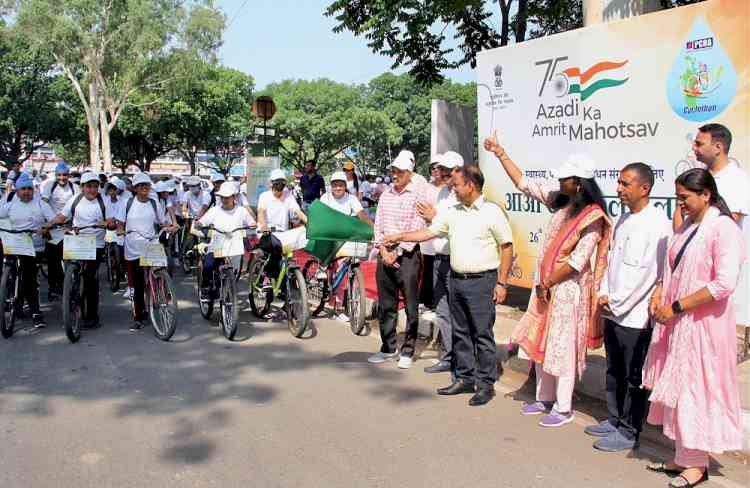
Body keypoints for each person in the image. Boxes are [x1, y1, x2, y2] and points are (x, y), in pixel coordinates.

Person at [485, 132, 611, 427]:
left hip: (566, 290)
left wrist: (549, 283)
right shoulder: (561, 202)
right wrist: (501, 153)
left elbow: (578, 261)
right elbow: (524, 184)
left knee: (562, 348)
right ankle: (544, 398)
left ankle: (564, 407)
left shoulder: (591, 217)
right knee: (540, 342)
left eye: (565, 178)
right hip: (546, 287)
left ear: (578, 183)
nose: (559, 183)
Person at [642, 168, 745, 488]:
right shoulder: (688, 226)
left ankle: (697, 465)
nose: (680, 204)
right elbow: (672, 265)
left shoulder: (722, 228)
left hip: (704, 327)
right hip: (679, 324)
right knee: (679, 391)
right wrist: (661, 292)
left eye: (684, 198)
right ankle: (684, 457)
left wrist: (676, 307)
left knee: (695, 392)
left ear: (706, 195)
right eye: (677, 198)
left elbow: (724, 284)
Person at [384, 165, 514, 405]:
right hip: (457, 280)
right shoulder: (452, 211)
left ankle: (485, 384)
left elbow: (507, 247)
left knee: (482, 335)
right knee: (461, 333)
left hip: (482, 282)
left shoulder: (491, 212)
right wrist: (400, 236)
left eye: (456, 185)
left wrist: (502, 282)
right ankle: (464, 378)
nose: (452, 189)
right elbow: (429, 233)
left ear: (471, 186)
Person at [584, 163, 671, 452]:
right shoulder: (622, 220)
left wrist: (618, 300)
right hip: (613, 310)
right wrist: (606, 293)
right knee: (614, 369)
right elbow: (610, 262)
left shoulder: (657, 224)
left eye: (625, 184)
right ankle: (614, 418)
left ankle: (630, 430)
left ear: (644, 188)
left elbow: (649, 273)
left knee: (635, 377)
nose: (619, 189)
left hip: (634, 315)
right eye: (619, 183)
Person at [368, 150, 427, 370]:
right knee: (386, 304)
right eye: (393, 170)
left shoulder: (416, 196)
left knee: (411, 305)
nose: (395, 175)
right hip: (385, 252)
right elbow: (378, 224)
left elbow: (417, 227)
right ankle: (388, 347)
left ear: (409, 173)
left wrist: (398, 251)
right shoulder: (386, 195)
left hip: (408, 254)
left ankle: (408, 350)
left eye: (399, 171)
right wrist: (383, 250)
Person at [414, 151, 464, 374]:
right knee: (442, 312)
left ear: (457, 171)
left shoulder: (465, 195)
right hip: (439, 259)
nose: (441, 173)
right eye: (439, 169)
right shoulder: (443, 193)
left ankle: (462, 362)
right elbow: (436, 225)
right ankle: (447, 356)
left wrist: (434, 217)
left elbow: (457, 226)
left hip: (458, 261)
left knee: (458, 313)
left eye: (446, 170)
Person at [47, 172, 114, 329]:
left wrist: (105, 223)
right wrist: (49, 224)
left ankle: (91, 316)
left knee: (90, 279)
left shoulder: (104, 201)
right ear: (82, 187)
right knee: (67, 268)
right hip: (76, 241)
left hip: (95, 244)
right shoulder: (75, 199)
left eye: (95, 186)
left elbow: (111, 221)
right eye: (88, 186)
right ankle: (69, 293)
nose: (92, 190)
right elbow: (62, 217)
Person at [116, 173, 173, 330]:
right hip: (132, 247)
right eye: (140, 185)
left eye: (146, 185)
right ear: (135, 188)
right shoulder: (126, 203)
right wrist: (120, 230)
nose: (144, 188)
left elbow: (162, 222)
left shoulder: (154, 204)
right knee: (136, 285)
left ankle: (162, 296)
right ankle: (138, 315)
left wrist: (169, 226)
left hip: (151, 244)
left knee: (160, 272)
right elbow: (120, 224)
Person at [0, 173, 56, 327]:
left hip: (33, 247)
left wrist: (46, 227)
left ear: (33, 190)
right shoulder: (11, 203)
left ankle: (35, 312)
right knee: (10, 274)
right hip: (13, 244)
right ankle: (11, 300)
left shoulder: (40, 204)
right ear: (17, 191)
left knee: (29, 280)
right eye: (23, 189)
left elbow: (53, 218)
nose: (26, 192)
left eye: (29, 189)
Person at [675, 123, 748, 228]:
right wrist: (681, 238)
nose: (693, 147)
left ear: (718, 147)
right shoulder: (696, 175)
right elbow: (679, 212)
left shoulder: (738, 179)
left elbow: (730, 222)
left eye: (699, 144)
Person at [195, 182, 256, 299]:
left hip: (235, 246)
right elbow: (203, 221)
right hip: (217, 246)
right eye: (222, 197)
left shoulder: (241, 211)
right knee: (208, 265)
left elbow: (251, 222)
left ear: (234, 197)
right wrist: (199, 223)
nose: (225, 199)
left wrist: (253, 224)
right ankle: (206, 286)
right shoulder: (214, 210)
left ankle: (228, 288)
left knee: (235, 271)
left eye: (227, 197)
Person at [257, 169, 308, 279]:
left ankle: (285, 281)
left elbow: (297, 212)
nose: (279, 186)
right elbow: (261, 212)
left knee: (302, 234)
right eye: (276, 183)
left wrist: (310, 223)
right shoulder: (264, 196)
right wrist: (263, 225)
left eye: (282, 183)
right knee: (275, 249)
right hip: (266, 232)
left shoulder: (288, 196)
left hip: (282, 234)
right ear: (271, 183)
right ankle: (268, 275)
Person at [42, 161, 79, 300]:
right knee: (52, 259)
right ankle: (54, 287)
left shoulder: (75, 188)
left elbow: (78, 205)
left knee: (72, 257)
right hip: (54, 226)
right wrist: (47, 223)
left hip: (70, 226)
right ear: (55, 175)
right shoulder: (49, 187)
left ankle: (73, 282)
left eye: (64, 175)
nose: (62, 178)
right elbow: (44, 203)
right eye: (59, 175)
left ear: (68, 175)